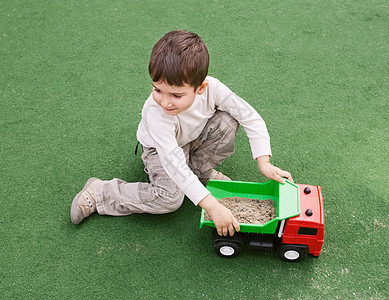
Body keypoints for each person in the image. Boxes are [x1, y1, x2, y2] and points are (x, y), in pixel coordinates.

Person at [70, 30, 293, 237]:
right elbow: (173, 163)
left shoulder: (212, 88)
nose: (165, 102)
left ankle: (198, 171)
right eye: (157, 89)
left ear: (200, 88)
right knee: (169, 198)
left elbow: (249, 116)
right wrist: (213, 207)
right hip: (160, 150)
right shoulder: (156, 112)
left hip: (190, 139)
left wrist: (264, 162)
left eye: (176, 95)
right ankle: (101, 193)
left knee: (227, 120)